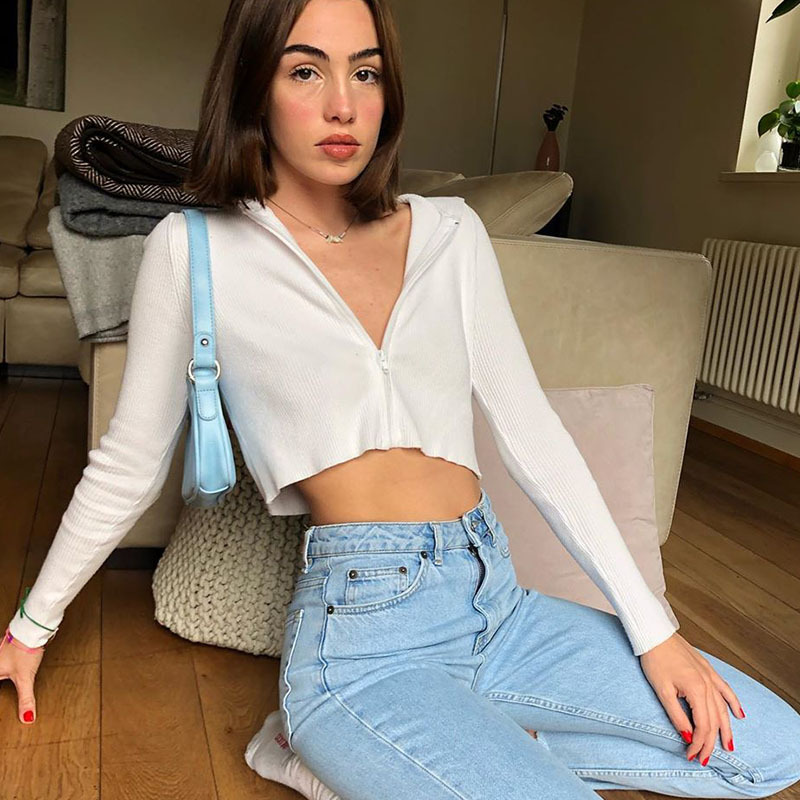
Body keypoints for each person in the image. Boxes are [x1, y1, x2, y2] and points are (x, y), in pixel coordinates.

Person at [3, 0, 800, 797]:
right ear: (252, 88)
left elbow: (533, 434)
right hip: (364, 638)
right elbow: (129, 463)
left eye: (366, 72)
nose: (343, 105)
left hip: (499, 602)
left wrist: (656, 632)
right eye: (305, 70)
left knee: (774, 749)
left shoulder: (450, 233)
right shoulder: (194, 250)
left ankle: (461, 743)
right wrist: (30, 627)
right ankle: (337, 737)